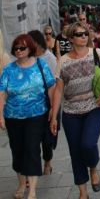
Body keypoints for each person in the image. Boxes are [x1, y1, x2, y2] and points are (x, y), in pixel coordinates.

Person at [50, 21, 100, 199]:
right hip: (71, 113)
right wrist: (54, 117)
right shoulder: (63, 61)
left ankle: (93, 168)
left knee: (88, 144)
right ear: (71, 39)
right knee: (75, 153)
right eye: (79, 34)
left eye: (85, 34)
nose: (83, 37)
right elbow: (58, 90)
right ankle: (82, 193)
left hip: (94, 108)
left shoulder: (96, 53)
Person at [0, 33, 56, 199]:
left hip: (37, 115)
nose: (18, 50)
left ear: (30, 48)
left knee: (32, 148)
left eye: (22, 48)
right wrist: (0, 116)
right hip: (13, 117)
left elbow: (51, 87)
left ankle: (32, 190)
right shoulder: (8, 70)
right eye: (16, 48)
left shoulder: (41, 65)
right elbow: (2, 93)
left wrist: (53, 109)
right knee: (17, 150)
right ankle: (21, 184)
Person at [28, 30, 58, 176]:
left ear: (37, 43)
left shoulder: (49, 58)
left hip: (48, 101)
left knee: (47, 139)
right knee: (32, 139)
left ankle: (47, 161)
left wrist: (53, 107)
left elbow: (55, 82)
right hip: (32, 105)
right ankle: (32, 168)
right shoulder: (27, 58)